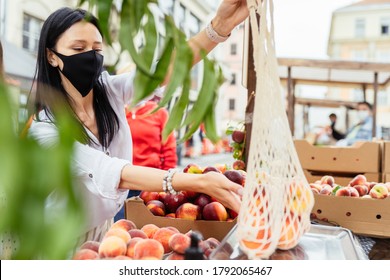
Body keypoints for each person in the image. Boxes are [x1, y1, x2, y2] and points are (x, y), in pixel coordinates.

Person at [27, 2, 248, 244]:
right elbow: (113, 173)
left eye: (97, 48)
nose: (90, 56)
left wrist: (219, 26)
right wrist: (200, 182)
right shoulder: (45, 129)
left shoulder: (109, 91)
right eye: (78, 48)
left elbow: (164, 72)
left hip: (105, 229)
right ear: (52, 56)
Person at [114, 99, 177, 221]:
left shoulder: (159, 112)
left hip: (150, 184)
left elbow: (169, 149)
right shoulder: (117, 111)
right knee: (121, 228)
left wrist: (166, 183)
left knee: (147, 226)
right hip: (122, 183)